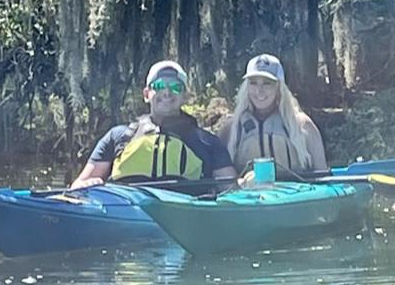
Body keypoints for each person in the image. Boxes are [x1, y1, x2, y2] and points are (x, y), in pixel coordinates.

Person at [70, 60, 235, 188]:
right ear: (147, 94)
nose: (167, 92)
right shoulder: (118, 136)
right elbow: (78, 186)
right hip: (125, 217)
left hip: (184, 219)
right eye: (159, 85)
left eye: (176, 87)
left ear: (185, 96)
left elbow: (231, 189)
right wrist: (87, 186)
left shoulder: (207, 143)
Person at [224, 53, 328, 177]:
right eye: (253, 83)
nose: (259, 91)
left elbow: (323, 175)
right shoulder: (231, 128)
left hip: (296, 194)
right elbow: (221, 178)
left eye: (267, 83)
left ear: (279, 86)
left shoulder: (302, 125)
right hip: (248, 195)